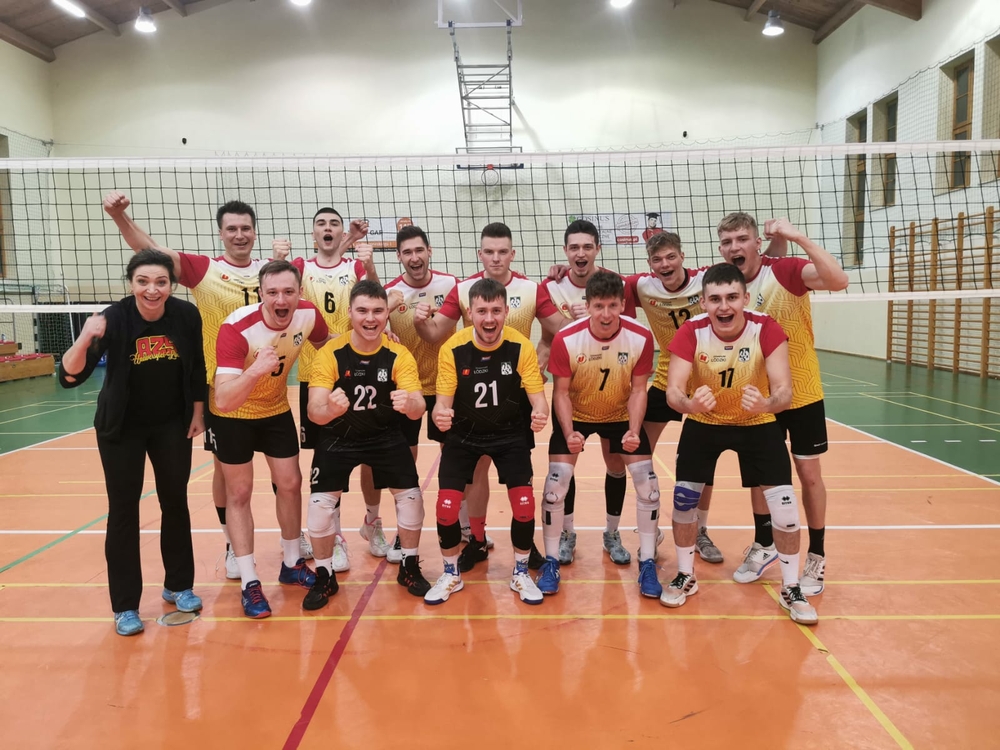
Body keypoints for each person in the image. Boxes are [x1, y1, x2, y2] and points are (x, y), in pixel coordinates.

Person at [102, 193, 313, 579]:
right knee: (227, 476)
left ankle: (289, 550)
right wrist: (120, 217)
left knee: (288, 480)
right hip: (225, 390)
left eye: (245, 228)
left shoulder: (274, 275)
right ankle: (233, 544)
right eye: (231, 229)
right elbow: (150, 252)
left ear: (254, 232)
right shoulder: (206, 270)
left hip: (273, 391)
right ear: (221, 234)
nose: (239, 234)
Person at [59, 249, 207, 636]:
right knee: (123, 511)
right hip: (121, 428)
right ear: (131, 284)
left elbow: (196, 367)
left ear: (171, 285)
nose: (152, 290)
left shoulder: (186, 315)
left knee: (175, 501)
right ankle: (125, 605)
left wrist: (197, 412)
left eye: (160, 282)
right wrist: (85, 337)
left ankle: (179, 584)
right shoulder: (114, 318)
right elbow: (70, 377)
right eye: (143, 282)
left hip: (172, 425)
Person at [661, 263, 817, 625]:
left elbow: (784, 391)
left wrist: (767, 404)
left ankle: (791, 586)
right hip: (704, 422)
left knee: (786, 510)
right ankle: (687, 575)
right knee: (684, 501)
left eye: (732, 297)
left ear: (746, 298)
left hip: (757, 421)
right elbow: (673, 392)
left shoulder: (766, 328)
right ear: (703, 302)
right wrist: (689, 404)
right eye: (715, 299)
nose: (724, 306)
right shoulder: (691, 332)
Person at [701, 213, 848, 595]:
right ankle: (764, 544)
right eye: (727, 241)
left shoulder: (785, 271)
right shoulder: (723, 285)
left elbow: (838, 280)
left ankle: (815, 556)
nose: (735, 247)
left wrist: (796, 236)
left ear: (756, 243)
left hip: (801, 393)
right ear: (721, 248)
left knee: (808, 474)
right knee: (761, 476)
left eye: (742, 239)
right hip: (755, 400)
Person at [413, 222, 562, 571]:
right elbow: (435, 334)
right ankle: (477, 539)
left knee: (519, 475)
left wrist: (541, 356)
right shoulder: (465, 289)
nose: (496, 258)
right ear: (480, 254)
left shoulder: (530, 288)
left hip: (516, 390)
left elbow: (560, 329)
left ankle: (525, 544)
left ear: (512, 254)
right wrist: (420, 322)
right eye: (489, 252)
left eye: (503, 251)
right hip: (470, 390)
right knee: (475, 471)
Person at [303, 280, 431, 608]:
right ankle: (324, 574)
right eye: (363, 311)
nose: (370, 318)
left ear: (386, 314)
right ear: (350, 313)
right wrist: (328, 409)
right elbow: (313, 411)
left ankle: (409, 565)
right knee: (319, 508)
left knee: (412, 498)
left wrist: (411, 405)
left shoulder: (398, 354)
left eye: (378, 311)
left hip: (385, 436)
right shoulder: (330, 353)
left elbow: (419, 404)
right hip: (339, 436)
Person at [213, 260, 329, 618]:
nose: (281, 299)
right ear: (261, 293)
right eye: (273, 292)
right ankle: (249, 581)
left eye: (289, 292)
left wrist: (371, 336)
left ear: (300, 294)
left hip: (275, 409)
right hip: (234, 415)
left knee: (291, 484)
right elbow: (223, 398)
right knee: (240, 492)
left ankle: (292, 562)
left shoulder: (308, 315)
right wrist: (256, 370)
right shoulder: (236, 328)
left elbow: (330, 346)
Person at [274, 209, 389, 570]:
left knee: (372, 454)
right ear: (312, 235)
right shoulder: (299, 268)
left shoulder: (354, 268)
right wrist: (277, 259)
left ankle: (372, 521)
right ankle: (335, 534)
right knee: (328, 458)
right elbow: (276, 289)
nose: (327, 229)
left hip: (359, 372)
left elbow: (375, 294)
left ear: (341, 233)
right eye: (321, 225)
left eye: (333, 225)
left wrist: (366, 262)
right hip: (316, 374)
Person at [424, 278, 549, 605]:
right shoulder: (453, 348)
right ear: (470, 311)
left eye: (496, 310)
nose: (489, 319)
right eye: (482, 311)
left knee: (523, 505)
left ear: (507, 311)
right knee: (447, 508)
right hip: (463, 435)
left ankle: (520, 573)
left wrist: (539, 412)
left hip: (509, 434)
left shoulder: (521, 346)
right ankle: (451, 573)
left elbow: (538, 396)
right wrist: (440, 414)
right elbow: (442, 400)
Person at [537, 271, 662, 598]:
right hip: (576, 411)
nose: (606, 314)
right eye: (598, 306)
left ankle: (638, 555)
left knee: (648, 487)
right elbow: (560, 393)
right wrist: (569, 432)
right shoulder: (567, 338)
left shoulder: (640, 337)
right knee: (555, 484)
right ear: (587, 305)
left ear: (623, 304)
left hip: (619, 413)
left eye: (612, 306)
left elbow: (639, 389)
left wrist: (634, 431)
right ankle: (554, 555)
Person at [537, 219, 640, 566]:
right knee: (565, 470)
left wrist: (594, 315)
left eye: (587, 246)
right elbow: (554, 333)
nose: (581, 253)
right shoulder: (550, 286)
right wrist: (582, 321)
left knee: (616, 465)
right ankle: (567, 533)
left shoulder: (616, 284)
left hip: (613, 394)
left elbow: (627, 328)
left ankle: (612, 533)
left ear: (597, 248)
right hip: (572, 393)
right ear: (566, 252)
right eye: (574, 248)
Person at [624, 233, 721, 564]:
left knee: (703, 460)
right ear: (650, 265)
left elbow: (750, 267)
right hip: (667, 377)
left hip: (708, 379)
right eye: (657, 260)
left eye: (670, 257)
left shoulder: (707, 279)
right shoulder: (642, 286)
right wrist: (561, 272)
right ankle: (650, 517)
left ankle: (701, 529)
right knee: (636, 450)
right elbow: (599, 281)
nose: (665, 264)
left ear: (682, 256)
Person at [382, 225, 459, 552]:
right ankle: (404, 532)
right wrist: (386, 308)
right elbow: (368, 326)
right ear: (399, 256)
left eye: (419, 250)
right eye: (407, 252)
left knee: (455, 459)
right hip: (406, 388)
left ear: (429, 251)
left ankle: (463, 523)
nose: (414, 257)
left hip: (446, 384)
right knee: (403, 462)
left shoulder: (451, 284)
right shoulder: (389, 293)